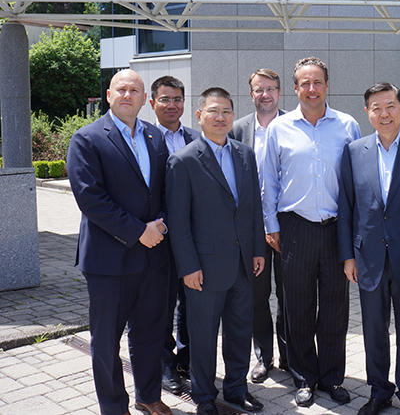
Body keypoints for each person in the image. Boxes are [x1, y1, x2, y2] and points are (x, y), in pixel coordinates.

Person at [67, 69, 174, 415]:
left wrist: (160, 225)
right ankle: (113, 406)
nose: (128, 95)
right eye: (121, 89)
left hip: (153, 256)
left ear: (145, 100)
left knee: (150, 333)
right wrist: (139, 231)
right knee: (106, 340)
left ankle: (148, 396)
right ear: (109, 95)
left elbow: (165, 190)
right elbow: (91, 198)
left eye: (135, 90)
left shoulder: (155, 137)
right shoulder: (87, 139)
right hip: (109, 259)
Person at [261, 57, 361, 407]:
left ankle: (332, 377)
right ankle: (303, 377)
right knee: (297, 307)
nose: (312, 89)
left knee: (335, 308)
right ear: (295, 88)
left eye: (317, 82)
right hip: (294, 228)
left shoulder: (347, 125)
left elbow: (357, 182)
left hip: (336, 229)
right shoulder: (279, 128)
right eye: (305, 83)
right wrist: (271, 225)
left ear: (327, 85)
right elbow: (269, 181)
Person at [338, 82, 400, 415]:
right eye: (376, 108)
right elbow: (346, 206)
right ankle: (379, 391)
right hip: (368, 257)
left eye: (390, 105)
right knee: (373, 331)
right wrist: (348, 256)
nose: (384, 114)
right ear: (367, 113)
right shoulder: (354, 151)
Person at [166, 87, 266, 415]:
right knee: (203, 336)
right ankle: (204, 396)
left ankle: (237, 389)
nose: (220, 117)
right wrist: (187, 266)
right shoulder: (183, 160)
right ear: (199, 116)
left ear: (233, 115)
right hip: (204, 268)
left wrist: (258, 249)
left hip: (242, 263)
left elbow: (253, 207)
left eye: (226, 111)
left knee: (239, 331)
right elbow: (178, 222)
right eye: (213, 111)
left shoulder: (245, 154)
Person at [229, 68, 290, 384]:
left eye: (270, 88)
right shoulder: (237, 130)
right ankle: (264, 357)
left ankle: (291, 356)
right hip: (253, 228)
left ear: (280, 92)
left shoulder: (294, 125)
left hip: (290, 225)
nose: (265, 94)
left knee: (291, 295)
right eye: (258, 89)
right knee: (257, 296)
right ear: (250, 94)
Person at [149, 75, 200, 394]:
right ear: (152, 103)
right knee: (161, 305)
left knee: (192, 302)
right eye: (165, 99)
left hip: (193, 237)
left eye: (177, 99)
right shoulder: (143, 137)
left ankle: (188, 360)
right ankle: (165, 365)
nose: (172, 105)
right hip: (158, 236)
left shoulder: (196, 137)